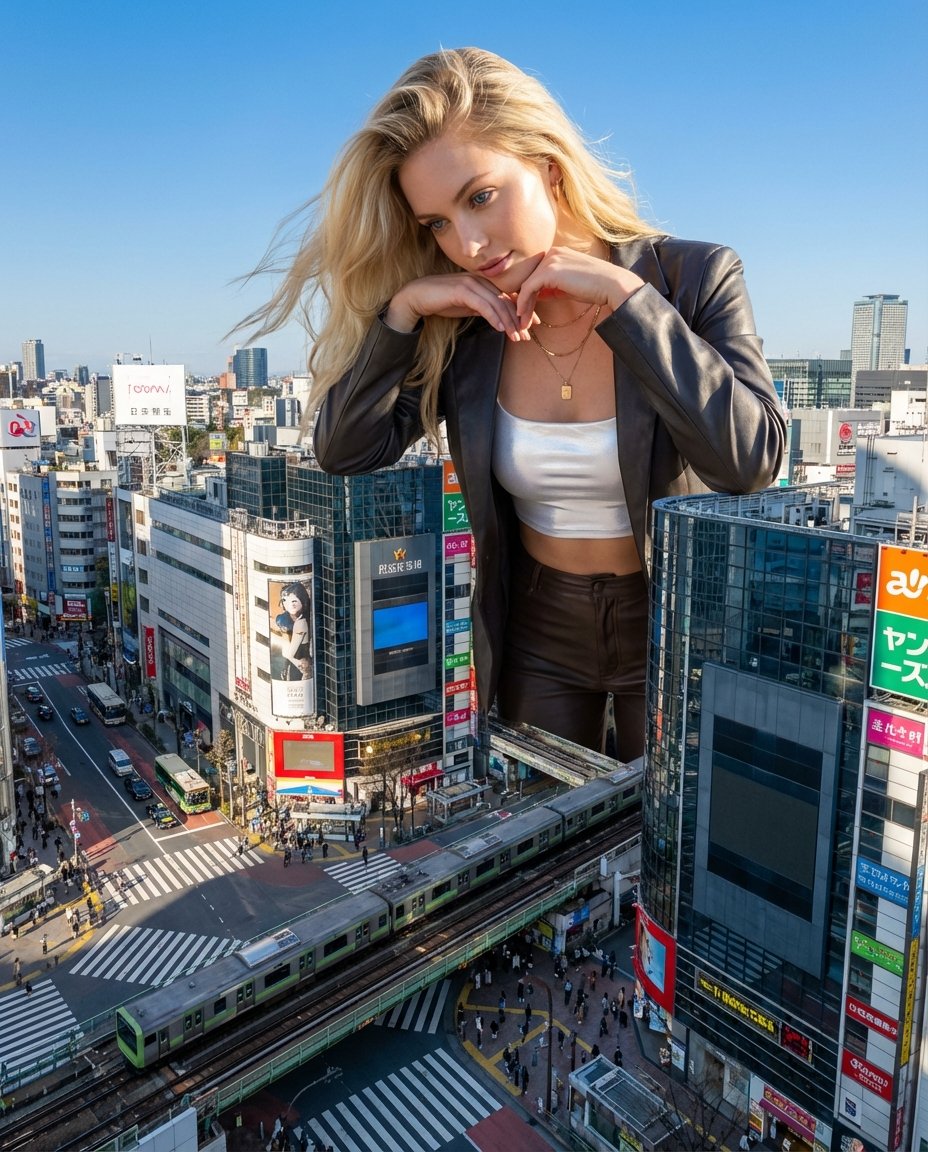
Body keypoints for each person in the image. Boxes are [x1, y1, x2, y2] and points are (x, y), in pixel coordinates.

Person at [239, 47, 784, 759]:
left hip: (678, 621)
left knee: (667, 839)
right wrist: (403, 313)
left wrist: (627, 303)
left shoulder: (691, 278)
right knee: (551, 829)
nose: (465, 244)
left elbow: (751, 460)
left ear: (548, 168)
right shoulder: (467, 326)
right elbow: (345, 448)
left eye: (479, 197)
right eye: (435, 223)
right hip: (539, 625)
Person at [272, 583, 312, 681]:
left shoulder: (300, 624)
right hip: (299, 664)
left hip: (298, 666)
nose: (290, 604)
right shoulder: (301, 619)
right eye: (286, 601)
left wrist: (305, 670)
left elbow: (287, 654)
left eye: (294, 601)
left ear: (302, 601)